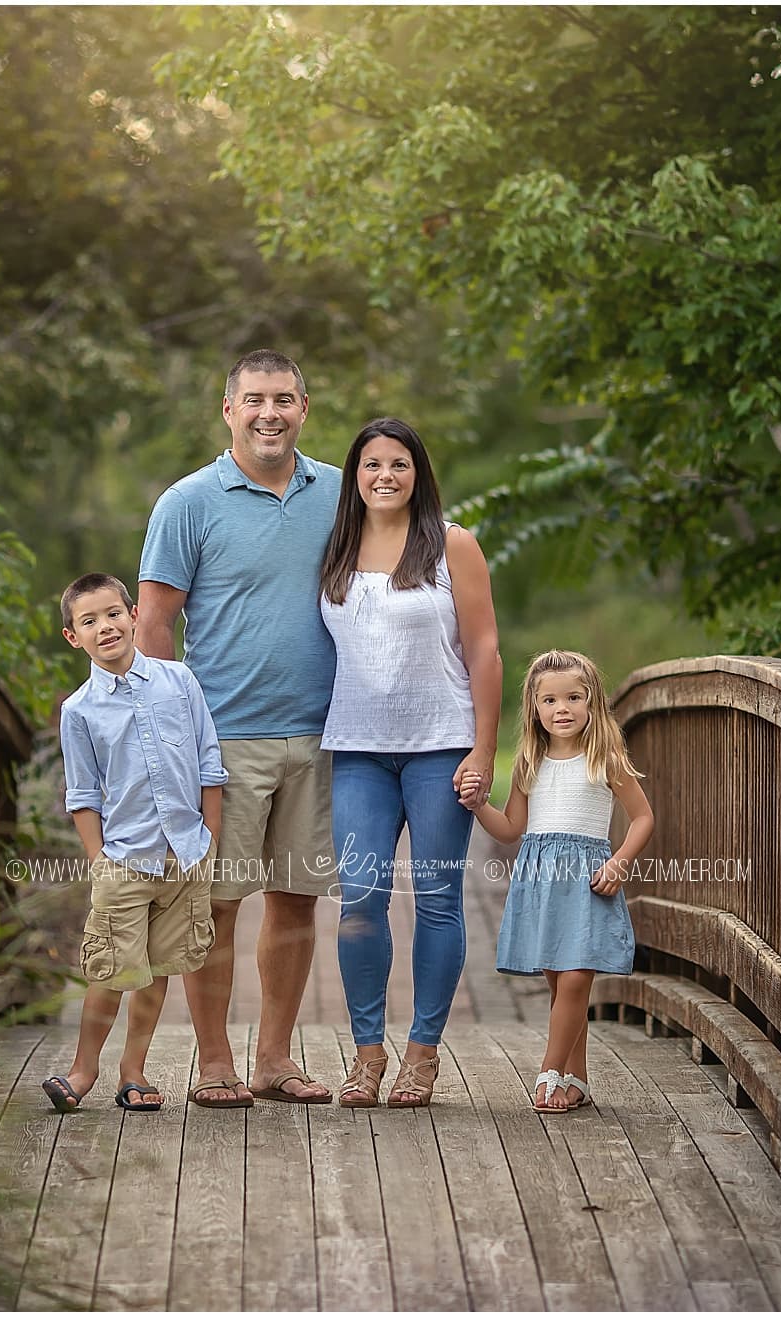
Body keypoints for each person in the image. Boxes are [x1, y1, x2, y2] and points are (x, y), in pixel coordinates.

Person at [136, 349, 339, 1106]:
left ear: (304, 407)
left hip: (321, 736)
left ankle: (276, 1059)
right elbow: (152, 623)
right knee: (214, 905)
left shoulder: (339, 494)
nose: (269, 413)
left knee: (296, 897)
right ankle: (216, 1061)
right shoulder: (187, 502)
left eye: (284, 399)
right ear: (229, 410)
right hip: (220, 739)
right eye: (255, 399)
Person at [318, 417, 501, 1108]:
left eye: (399, 463)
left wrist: (483, 748)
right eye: (371, 464)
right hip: (359, 749)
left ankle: (421, 1055)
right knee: (361, 901)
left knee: (436, 901)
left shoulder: (453, 544)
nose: (385, 475)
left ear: (418, 473)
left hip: (440, 749)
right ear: (355, 475)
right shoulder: (336, 546)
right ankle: (368, 1054)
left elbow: (484, 651)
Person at [44, 573, 225, 1112]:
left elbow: (208, 765)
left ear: (131, 615)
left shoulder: (179, 681)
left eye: (113, 614)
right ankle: (83, 1070)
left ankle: (135, 1069)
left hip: (184, 854)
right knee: (113, 967)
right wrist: (100, 861)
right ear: (72, 636)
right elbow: (81, 795)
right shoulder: (78, 711)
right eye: (89, 621)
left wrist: (207, 840)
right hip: (125, 858)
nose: (105, 627)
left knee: (158, 966)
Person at [470, 649, 654, 1113]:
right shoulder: (530, 764)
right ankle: (578, 1080)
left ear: (592, 703)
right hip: (539, 880)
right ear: (535, 707)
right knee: (560, 986)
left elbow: (643, 818)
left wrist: (620, 863)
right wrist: (478, 807)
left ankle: (549, 1074)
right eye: (550, 700)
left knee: (574, 981)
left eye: (574, 697)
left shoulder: (604, 758)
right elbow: (512, 828)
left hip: (587, 880)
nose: (562, 709)